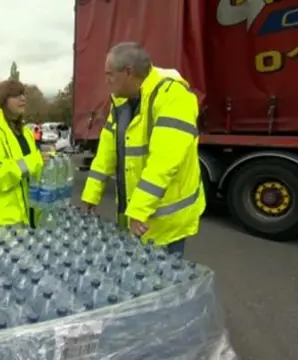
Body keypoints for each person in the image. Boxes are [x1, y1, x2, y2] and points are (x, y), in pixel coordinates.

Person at [80, 42, 205, 257]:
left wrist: (139, 209)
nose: (106, 80)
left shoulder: (173, 96)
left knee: (162, 282)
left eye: (110, 74)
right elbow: (107, 152)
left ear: (128, 72)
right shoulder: (120, 103)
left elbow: (165, 161)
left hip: (165, 220)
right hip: (137, 217)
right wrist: (92, 193)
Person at [0, 79, 47, 231]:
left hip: (28, 224)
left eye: (23, 94)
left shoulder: (26, 134)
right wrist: (33, 161)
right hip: (4, 232)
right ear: (3, 100)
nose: (23, 98)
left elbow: (32, 172)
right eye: (16, 95)